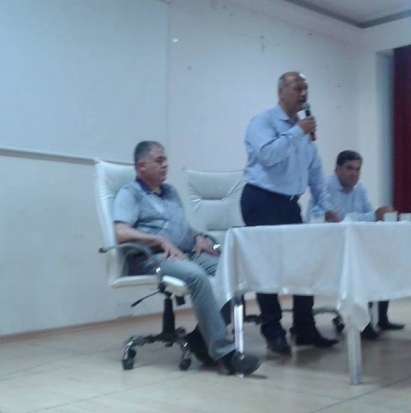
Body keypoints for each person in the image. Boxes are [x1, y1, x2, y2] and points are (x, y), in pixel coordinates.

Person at [113, 140, 261, 375]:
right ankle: (225, 353)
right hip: (151, 257)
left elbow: (180, 227)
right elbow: (121, 232)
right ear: (141, 166)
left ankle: (199, 341)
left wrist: (198, 237)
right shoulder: (130, 193)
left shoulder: (170, 192)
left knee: (231, 273)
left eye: (165, 160)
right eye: (159, 160)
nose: (165, 165)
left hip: (186, 252)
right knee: (196, 277)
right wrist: (159, 240)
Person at [240, 71, 339, 355]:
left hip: (289, 204)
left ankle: (305, 327)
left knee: (302, 265)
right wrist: (298, 132)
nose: (303, 94)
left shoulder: (304, 133)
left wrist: (328, 207)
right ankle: (272, 330)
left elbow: (315, 175)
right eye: (298, 88)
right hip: (261, 200)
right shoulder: (263, 122)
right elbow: (268, 155)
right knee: (267, 268)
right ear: (281, 92)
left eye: (306, 88)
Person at [310, 149, 405, 338]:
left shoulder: (360, 189)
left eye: (357, 169)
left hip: (354, 245)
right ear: (337, 169)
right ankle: (362, 322)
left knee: (382, 260)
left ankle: (381, 318)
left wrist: (379, 214)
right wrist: (373, 216)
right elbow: (331, 219)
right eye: (349, 168)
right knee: (364, 268)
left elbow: (368, 215)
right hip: (328, 247)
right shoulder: (325, 189)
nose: (354, 173)